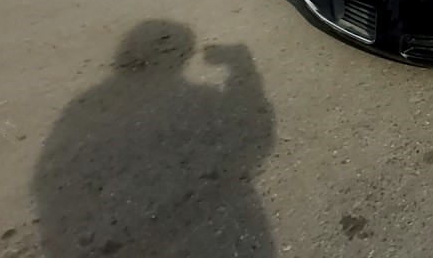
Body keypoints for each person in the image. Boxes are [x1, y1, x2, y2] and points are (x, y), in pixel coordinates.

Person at [32, 20, 276, 257]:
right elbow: (256, 137)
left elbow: (47, 179)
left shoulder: (83, 108)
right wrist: (242, 66)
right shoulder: (202, 100)